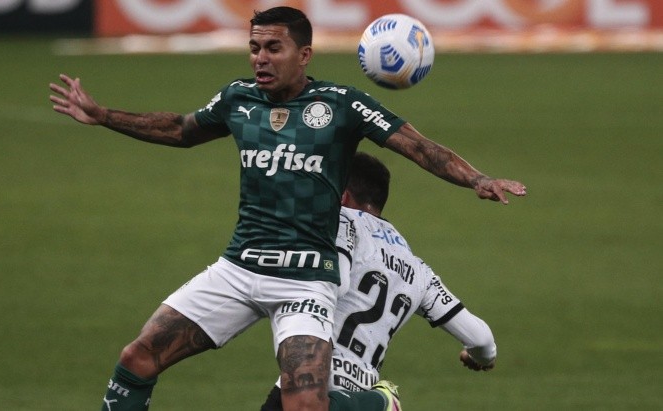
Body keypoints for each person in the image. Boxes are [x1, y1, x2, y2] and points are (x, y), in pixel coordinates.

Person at [49, 6, 524, 411]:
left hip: (305, 280)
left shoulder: (343, 106)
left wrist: (478, 179)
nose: (260, 58)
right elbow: (180, 128)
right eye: (254, 48)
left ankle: (379, 402)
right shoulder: (239, 99)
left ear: (304, 54)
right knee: (137, 358)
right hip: (239, 268)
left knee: (304, 405)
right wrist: (102, 115)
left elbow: (419, 147)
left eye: (273, 48)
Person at [260, 152, 497, 411]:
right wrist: (479, 358)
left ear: (342, 196)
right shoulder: (418, 269)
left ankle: (381, 402)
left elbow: (334, 283)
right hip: (357, 384)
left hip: (316, 381)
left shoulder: (340, 222)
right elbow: (481, 338)